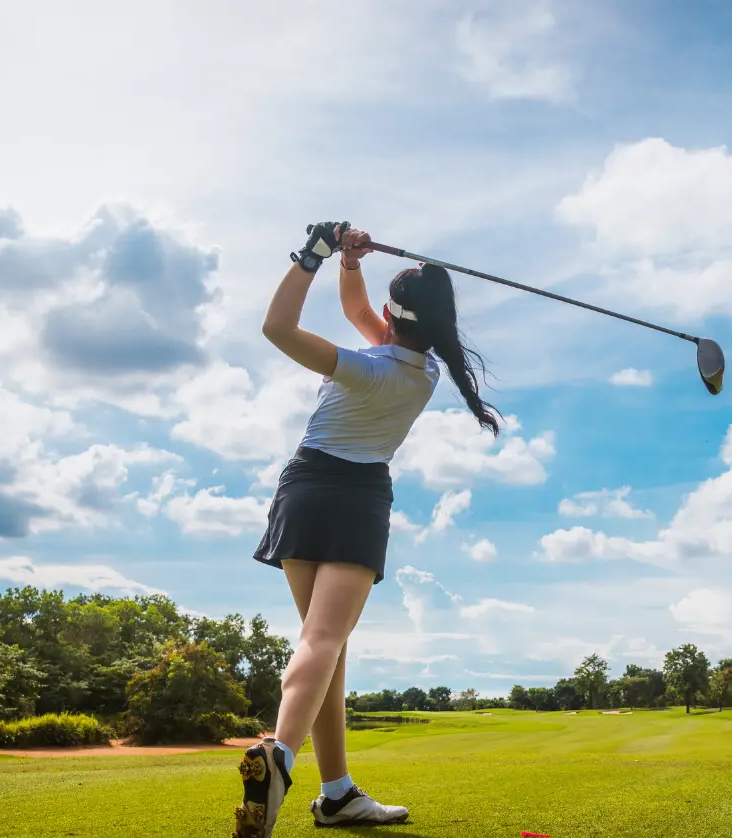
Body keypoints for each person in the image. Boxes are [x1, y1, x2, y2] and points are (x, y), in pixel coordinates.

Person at [233, 222, 502, 837]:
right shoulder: (422, 371)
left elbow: (276, 328)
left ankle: (334, 793)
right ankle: (281, 757)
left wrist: (314, 256)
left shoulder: (362, 366)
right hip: (357, 499)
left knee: (321, 642)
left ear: (391, 313)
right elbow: (359, 308)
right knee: (324, 641)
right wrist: (349, 264)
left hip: (303, 489)